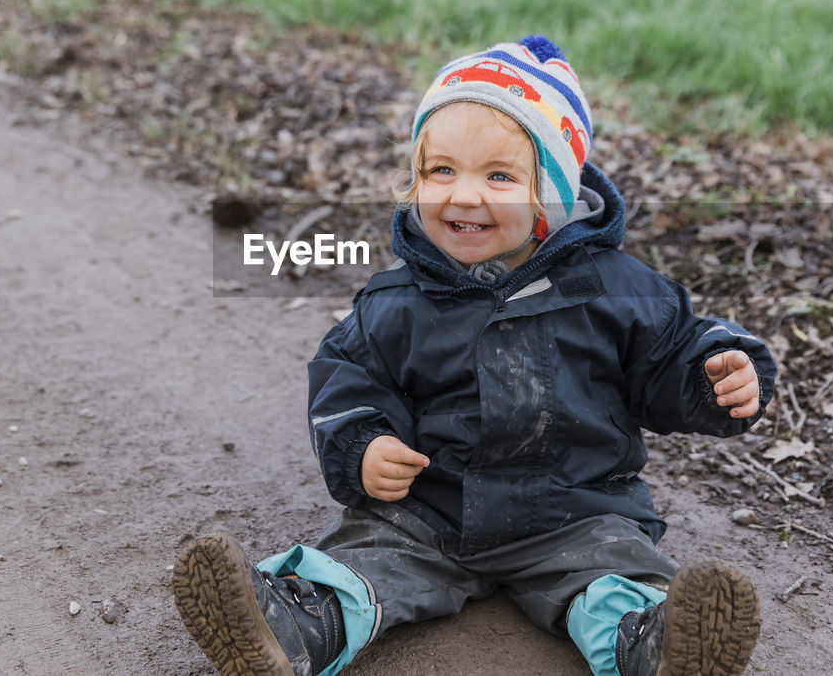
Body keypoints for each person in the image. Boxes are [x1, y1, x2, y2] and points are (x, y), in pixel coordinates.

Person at [174, 35, 777, 676]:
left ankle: (654, 650)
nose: (464, 195)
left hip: (575, 511)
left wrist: (717, 377)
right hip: (430, 511)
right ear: (415, 179)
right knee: (361, 563)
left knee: (617, 580)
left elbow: (672, 357)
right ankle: (289, 629)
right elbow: (349, 381)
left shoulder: (617, 290)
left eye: (498, 176)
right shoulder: (395, 302)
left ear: (549, 198)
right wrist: (363, 446)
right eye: (442, 171)